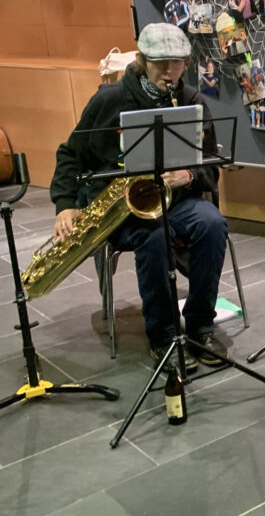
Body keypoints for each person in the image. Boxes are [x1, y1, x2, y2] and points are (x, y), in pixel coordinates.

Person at [50, 23, 231, 373]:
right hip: (124, 207)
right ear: (142, 61)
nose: (169, 71)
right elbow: (71, 153)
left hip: (176, 200)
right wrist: (65, 204)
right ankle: (162, 335)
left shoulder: (192, 100)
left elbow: (210, 164)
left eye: (177, 63)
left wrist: (189, 175)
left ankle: (200, 325)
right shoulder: (110, 100)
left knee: (211, 224)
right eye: (160, 62)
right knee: (154, 237)